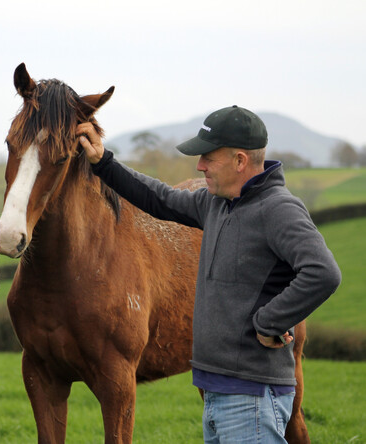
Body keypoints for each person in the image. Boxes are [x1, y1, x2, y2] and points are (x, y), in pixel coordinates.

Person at [76, 105, 341, 443]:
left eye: (208, 158)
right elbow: (159, 198)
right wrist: (104, 162)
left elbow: (323, 272)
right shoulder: (217, 204)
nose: (199, 166)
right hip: (215, 391)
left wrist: (270, 322)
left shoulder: (279, 209)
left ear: (240, 161)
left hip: (253, 397)